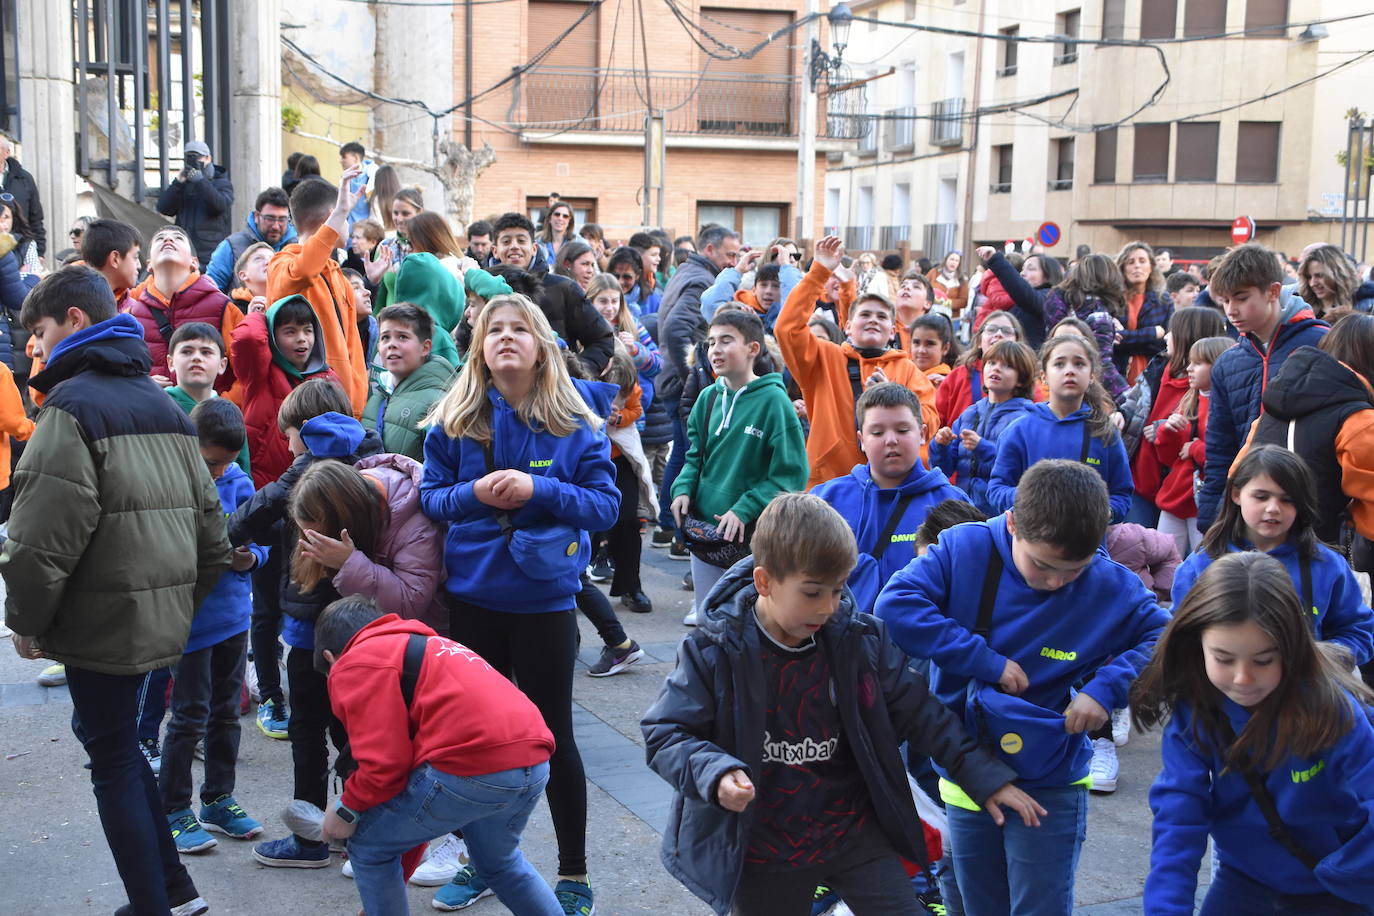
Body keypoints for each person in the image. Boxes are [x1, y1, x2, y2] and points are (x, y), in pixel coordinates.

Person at [643, 493, 1042, 916]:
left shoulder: (856, 639)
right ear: (765, 582)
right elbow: (665, 733)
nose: (828, 607)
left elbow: (921, 712)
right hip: (767, 845)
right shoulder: (713, 649)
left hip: (852, 831)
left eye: (837, 590)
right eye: (813, 592)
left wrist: (984, 777)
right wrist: (717, 773)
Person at [2, 266, 230, 916]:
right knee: (122, 747)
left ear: (75, 322)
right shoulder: (166, 407)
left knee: (111, 757)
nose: (34, 352)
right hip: (158, 622)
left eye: (41, 335)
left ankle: (153, 905)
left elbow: (39, 543)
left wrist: (27, 621)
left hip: (101, 627)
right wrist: (174, 604)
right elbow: (213, 540)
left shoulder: (69, 410)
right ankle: (177, 892)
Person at [876, 459, 1168, 914]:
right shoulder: (963, 549)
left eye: (1073, 570)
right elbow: (894, 605)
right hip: (968, 769)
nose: (1055, 582)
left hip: (1049, 776)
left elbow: (1167, 638)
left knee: (1040, 905)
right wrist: (982, 660)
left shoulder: (1110, 584)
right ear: (1012, 523)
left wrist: (1106, 688)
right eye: (1042, 565)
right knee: (977, 905)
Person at [419, 293, 619, 914]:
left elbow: (606, 507)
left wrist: (542, 487)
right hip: (474, 601)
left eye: (518, 329)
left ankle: (574, 873)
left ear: (541, 345)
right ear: (479, 345)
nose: (505, 337)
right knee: (475, 740)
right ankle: (484, 863)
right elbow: (432, 500)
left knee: (552, 735)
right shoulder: (453, 418)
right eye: (493, 329)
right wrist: (475, 493)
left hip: (544, 604)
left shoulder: (577, 421)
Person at [1134, 552, 1374, 915]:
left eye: (1264, 660)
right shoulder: (1194, 709)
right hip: (1245, 881)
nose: (1243, 678)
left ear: (1292, 648)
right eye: (1224, 658)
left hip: (1337, 891)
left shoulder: (1329, 707)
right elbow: (1179, 816)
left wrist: (1349, 873)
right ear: (1196, 644)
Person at [313, 597, 562, 916]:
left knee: (367, 847)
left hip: (475, 767)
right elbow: (408, 798)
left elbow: (384, 765)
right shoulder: (427, 644)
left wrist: (347, 809)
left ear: (330, 657)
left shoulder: (357, 660)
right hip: (534, 758)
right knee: (499, 864)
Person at [230, 389, 385, 869]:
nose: (288, 442)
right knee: (357, 734)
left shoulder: (307, 475)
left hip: (309, 630)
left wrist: (296, 471)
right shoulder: (373, 457)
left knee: (308, 731)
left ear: (309, 432)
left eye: (292, 433)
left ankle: (311, 837)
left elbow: (243, 522)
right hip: (363, 624)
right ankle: (362, 832)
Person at [160, 398, 266, 854]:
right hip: (190, 624)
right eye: (211, 463)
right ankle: (174, 809)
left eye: (226, 462)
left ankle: (218, 798)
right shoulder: (171, 490)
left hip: (232, 618)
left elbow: (261, 545)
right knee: (187, 717)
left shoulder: (239, 484)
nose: (219, 472)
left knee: (226, 712)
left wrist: (251, 557)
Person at [1171, 445, 1374, 665]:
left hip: (1304, 692)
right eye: (1261, 497)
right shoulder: (1202, 563)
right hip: (1219, 693)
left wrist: (1321, 656)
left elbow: (1359, 633)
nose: (1273, 508)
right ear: (1237, 494)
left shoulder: (1326, 565)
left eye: (1287, 499)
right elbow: (1177, 635)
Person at [670, 308, 809, 626]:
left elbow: (789, 477)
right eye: (711, 342)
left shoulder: (775, 403)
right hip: (704, 535)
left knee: (748, 625)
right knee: (709, 621)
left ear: (752, 349)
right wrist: (682, 489)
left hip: (752, 541)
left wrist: (744, 508)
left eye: (726, 340)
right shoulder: (707, 398)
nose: (715, 349)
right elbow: (695, 457)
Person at [777, 235, 939, 489]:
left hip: (889, 487)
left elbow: (928, 423)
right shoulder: (824, 357)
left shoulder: (907, 369)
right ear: (848, 327)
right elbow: (787, 329)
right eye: (865, 314)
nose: (873, 320)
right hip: (828, 485)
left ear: (892, 330)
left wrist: (894, 398)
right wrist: (818, 272)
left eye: (882, 316)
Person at [1196, 243, 1328, 531]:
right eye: (1225, 300)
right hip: (1244, 512)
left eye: (1241, 298)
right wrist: (1211, 517)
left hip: (1308, 511)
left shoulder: (1322, 345)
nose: (1231, 310)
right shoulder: (1227, 363)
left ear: (1272, 291)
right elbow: (1219, 446)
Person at [813, 382, 964, 614]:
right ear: (861, 440)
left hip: (921, 643)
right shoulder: (824, 500)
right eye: (877, 432)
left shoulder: (953, 503)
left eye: (902, 430)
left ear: (922, 434)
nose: (891, 440)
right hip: (841, 643)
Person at [1249, 312, 1374, 544]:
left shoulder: (1273, 410)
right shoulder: (1359, 419)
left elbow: (1237, 474)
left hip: (1255, 548)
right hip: (1317, 555)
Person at [988, 334, 1133, 523]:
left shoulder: (1104, 432)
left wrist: (1103, 512)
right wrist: (1036, 498)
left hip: (1086, 546)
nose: (1069, 371)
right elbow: (997, 489)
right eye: (1059, 364)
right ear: (1044, 377)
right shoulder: (1020, 429)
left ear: (1091, 376)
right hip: (1031, 544)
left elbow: (1122, 494)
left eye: (1079, 364)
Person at [266, 169, 369, 413]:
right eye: (346, 216)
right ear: (330, 216)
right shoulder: (282, 263)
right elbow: (303, 270)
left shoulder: (337, 273)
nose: (348, 225)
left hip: (347, 408)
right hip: (308, 408)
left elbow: (352, 348)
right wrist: (340, 213)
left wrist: (358, 404)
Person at [467, 212, 616, 375]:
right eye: (506, 241)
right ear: (495, 250)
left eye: (521, 240)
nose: (514, 246)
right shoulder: (480, 289)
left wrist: (574, 375)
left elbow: (601, 338)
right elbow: (464, 340)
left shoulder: (563, 288)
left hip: (553, 394)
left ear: (534, 248)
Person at [1123, 306, 1228, 526]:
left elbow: (1198, 436)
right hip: (1142, 478)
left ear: (1187, 337)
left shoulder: (1205, 388)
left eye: (1173, 331)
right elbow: (1133, 401)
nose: (1167, 336)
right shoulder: (1159, 366)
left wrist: (1163, 428)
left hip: (1181, 487)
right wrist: (1120, 413)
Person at [231, 294, 342, 488]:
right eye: (290, 332)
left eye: (308, 331)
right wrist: (260, 317)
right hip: (265, 484)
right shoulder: (260, 374)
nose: (302, 339)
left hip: (314, 485)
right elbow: (248, 338)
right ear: (273, 336)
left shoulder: (328, 377)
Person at [129, 225, 241, 395]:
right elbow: (121, 374)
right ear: (149, 264)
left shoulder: (223, 307)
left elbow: (247, 374)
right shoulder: (131, 314)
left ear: (194, 262)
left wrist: (216, 407)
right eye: (160, 238)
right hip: (149, 417)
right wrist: (141, 385)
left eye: (178, 238)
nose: (168, 240)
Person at [931, 339, 1037, 515]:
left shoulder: (1026, 418)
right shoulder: (969, 413)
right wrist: (940, 445)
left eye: (1007, 366)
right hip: (964, 511)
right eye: (991, 363)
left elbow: (1023, 470)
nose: (996, 368)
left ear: (1021, 379)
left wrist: (983, 448)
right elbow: (945, 469)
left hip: (1002, 516)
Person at [1150, 336, 1232, 558]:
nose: (1189, 369)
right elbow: (1169, 458)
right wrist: (1166, 432)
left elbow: (1229, 455)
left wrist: (1196, 449)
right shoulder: (1190, 400)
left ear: (1218, 365)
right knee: (1162, 562)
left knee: (1203, 565)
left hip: (1205, 501)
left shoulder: (1227, 405)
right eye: (1190, 362)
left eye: (1198, 363)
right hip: (1176, 496)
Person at [362, 303, 457, 462]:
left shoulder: (438, 403)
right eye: (385, 337)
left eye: (402, 337)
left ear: (425, 348)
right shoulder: (376, 398)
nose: (391, 344)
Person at [165, 322, 252, 477]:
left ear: (222, 364)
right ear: (171, 362)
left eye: (206, 352)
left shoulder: (230, 413)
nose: (197, 358)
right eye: (187, 351)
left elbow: (243, 471)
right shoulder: (160, 407)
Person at [1043, 253, 1130, 400]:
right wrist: (1128, 396)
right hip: (1084, 395)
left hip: (1054, 385)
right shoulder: (1098, 313)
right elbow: (1102, 364)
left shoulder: (1060, 301)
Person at [937, 311, 1029, 428]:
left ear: (1017, 342)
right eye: (991, 329)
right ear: (979, 341)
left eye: (1006, 331)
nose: (999, 334)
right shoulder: (957, 376)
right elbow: (936, 423)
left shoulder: (1025, 378)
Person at [155, 140, 235, 267]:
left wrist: (200, 181)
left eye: (197, 157)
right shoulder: (184, 184)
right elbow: (164, 208)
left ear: (208, 158)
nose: (193, 160)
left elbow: (220, 206)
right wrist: (178, 183)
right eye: (189, 157)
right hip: (184, 252)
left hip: (209, 255)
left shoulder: (222, 182)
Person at [205, 187, 297, 293]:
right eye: (270, 218)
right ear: (256, 216)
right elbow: (211, 292)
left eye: (282, 219)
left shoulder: (296, 248)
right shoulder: (231, 246)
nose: (276, 226)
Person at [974, 246, 1064, 352]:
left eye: (1031, 269)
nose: (1022, 273)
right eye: (1022, 269)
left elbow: (1022, 292)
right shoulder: (1020, 300)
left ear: (1048, 275)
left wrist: (996, 259)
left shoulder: (1048, 298)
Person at [1116, 241, 1174, 385]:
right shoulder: (1112, 300)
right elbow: (1110, 341)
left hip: (1154, 374)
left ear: (1151, 267)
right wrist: (1152, 333)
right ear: (1122, 268)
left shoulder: (1163, 300)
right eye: (1131, 262)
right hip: (1117, 374)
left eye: (1142, 261)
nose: (1137, 266)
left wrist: (1126, 338)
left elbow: (1166, 344)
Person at [701, 246, 802, 328]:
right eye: (763, 285)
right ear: (754, 289)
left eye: (776, 286)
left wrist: (786, 266)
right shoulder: (740, 313)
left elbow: (796, 304)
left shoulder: (783, 319)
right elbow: (711, 306)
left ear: (784, 290)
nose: (768, 291)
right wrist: (737, 270)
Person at [78, 218, 142, 309]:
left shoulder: (132, 308)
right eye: (135, 257)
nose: (139, 266)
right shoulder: (71, 303)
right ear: (115, 259)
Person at [1297, 243, 1374, 316]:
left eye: (1319, 275)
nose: (1312, 283)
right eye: (1309, 277)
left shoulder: (1367, 305)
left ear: (1338, 274)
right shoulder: (1301, 307)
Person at [0, 131, 45, 256]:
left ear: (7, 153)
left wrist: (40, 252)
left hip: (22, 249)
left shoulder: (24, 179)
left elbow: (36, 218)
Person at [608, 244, 661, 316]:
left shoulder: (653, 302)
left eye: (627, 277)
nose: (620, 282)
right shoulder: (599, 299)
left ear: (637, 275)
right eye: (615, 276)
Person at [908, 313, 960, 386]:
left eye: (930, 344)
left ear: (945, 348)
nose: (921, 350)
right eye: (916, 343)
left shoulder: (945, 383)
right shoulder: (903, 371)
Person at [338, 141, 378, 234]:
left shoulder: (373, 175)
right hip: (349, 231)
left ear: (356, 158)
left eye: (344, 157)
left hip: (368, 231)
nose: (341, 161)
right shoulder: (344, 179)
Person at [928, 250, 968, 318]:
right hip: (931, 313)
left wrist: (946, 302)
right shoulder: (934, 273)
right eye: (951, 259)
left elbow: (964, 301)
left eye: (956, 260)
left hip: (951, 317)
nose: (953, 262)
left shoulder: (962, 280)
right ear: (946, 260)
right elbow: (924, 288)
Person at [536, 200, 576, 265]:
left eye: (565, 216)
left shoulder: (578, 243)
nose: (560, 218)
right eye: (557, 214)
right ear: (549, 218)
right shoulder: (538, 243)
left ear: (569, 221)